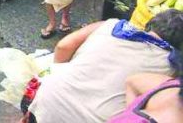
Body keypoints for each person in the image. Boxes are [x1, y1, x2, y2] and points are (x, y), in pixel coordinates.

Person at [27, 10, 183, 122]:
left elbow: (63, 46)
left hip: (48, 99)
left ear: (149, 24)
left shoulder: (111, 25)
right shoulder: (171, 65)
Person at [110, 69, 183, 122]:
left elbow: (132, 81)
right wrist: (128, 114)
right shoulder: (170, 85)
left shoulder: (171, 86)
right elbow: (132, 81)